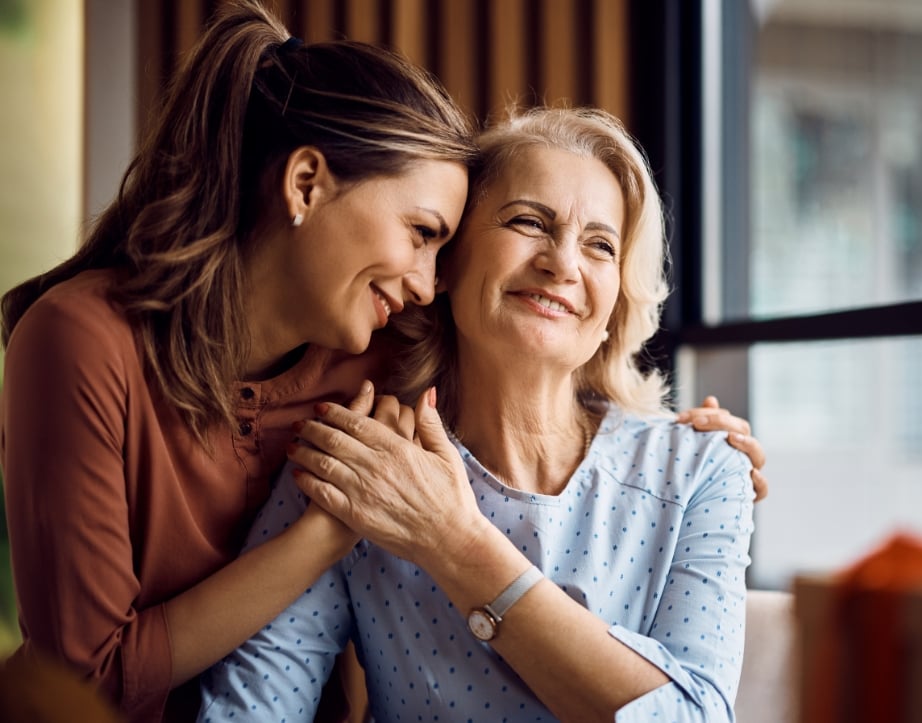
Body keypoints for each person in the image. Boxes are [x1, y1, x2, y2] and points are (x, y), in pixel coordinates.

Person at [1, 4, 765, 722]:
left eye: (602, 243)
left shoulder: (691, 468)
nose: (563, 263)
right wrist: (332, 531)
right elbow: (142, 685)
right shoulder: (363, 435)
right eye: (428, 234)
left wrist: (702, 449)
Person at [198, 107, 757, 721]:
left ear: (615, 306)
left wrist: (456, 543)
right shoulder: (361, 463)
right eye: (528, 221)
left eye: (600, 245)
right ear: (446, 264)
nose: (563, 263)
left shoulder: (704, 470)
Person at [0, 2, 475, 720]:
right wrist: (322, 533)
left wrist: (692, 437)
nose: (424, 283)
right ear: (306, 183)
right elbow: (87, 681)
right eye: (420, 233)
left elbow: (548, 414)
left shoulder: (387, 363)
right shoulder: (80, 342)